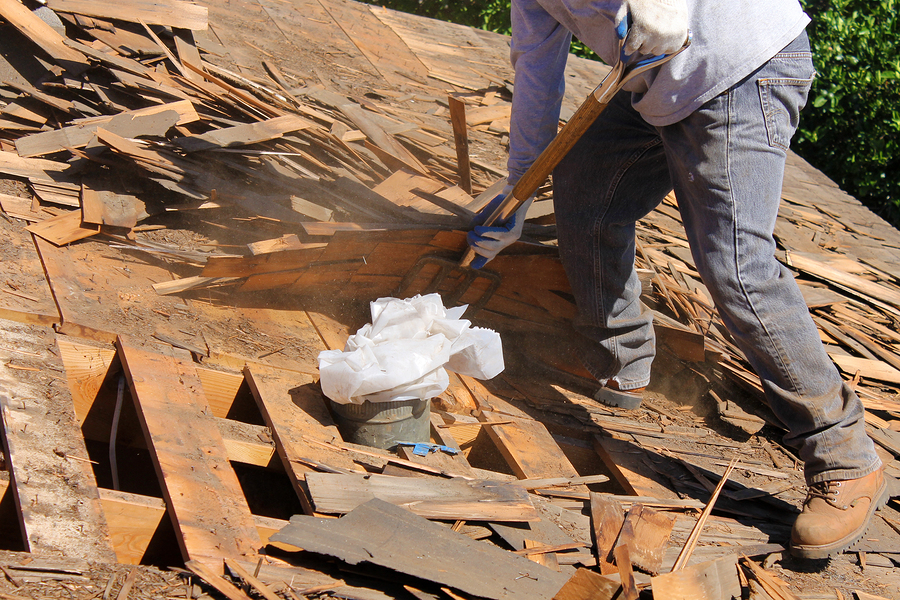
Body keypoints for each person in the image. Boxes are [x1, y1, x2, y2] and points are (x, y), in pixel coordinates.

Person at [466, 0, 887, 560]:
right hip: (659, 81)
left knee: (737, 268)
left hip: (740, 64)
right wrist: (519, 188)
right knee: (588, 193)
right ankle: (623, 359)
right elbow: (537, 69)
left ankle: (845, 457)